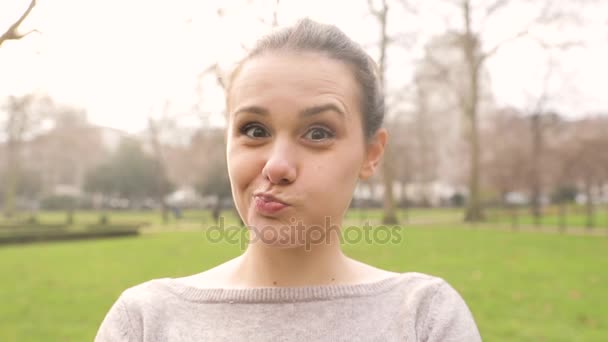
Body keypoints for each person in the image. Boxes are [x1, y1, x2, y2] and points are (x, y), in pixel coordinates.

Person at [95, 18, 482, 341]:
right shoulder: (145, 322)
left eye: (317, 133)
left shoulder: (425, 319)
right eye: (254, 129)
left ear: (371, 154)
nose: (276, 166)